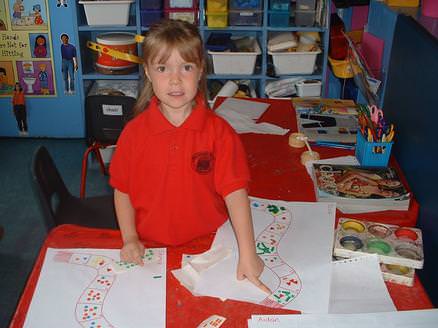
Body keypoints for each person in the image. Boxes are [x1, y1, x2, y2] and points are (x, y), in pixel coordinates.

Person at [109, 19, 269, 294]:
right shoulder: (134, 134)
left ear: (200, 70)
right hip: (150, 248)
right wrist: (130, 238)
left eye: (186, 67)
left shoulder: (219, 133)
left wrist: (248, 253)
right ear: (147, 71)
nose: (175, 79)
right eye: (162, 68)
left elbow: (235, 192)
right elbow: (122, 190)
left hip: (211, 246)